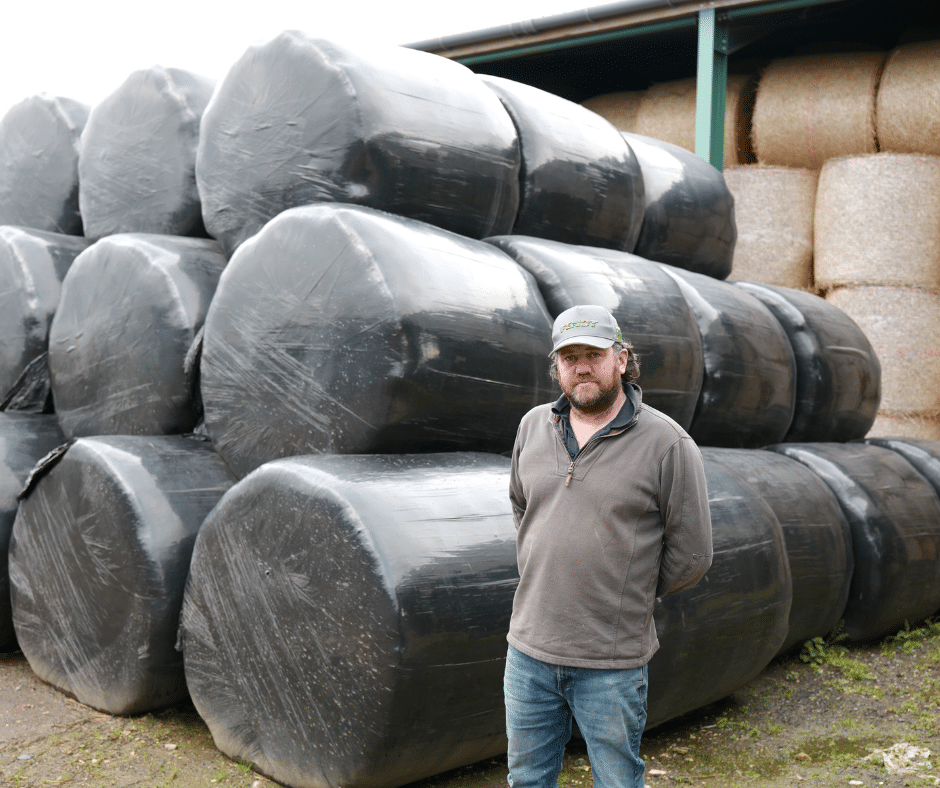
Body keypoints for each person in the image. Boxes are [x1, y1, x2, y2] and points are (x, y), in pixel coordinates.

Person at [505, 303, 713, 788]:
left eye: (593, 355)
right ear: (556, 365)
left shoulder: (667, 444)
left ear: (621, 359)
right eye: (569, 356)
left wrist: (626, 585)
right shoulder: (533, 427)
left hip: (611, 663)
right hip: (528, 651)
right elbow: (523, 509)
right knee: (527, 778)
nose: (581, 367)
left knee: (618, 779)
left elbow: (692, 555)